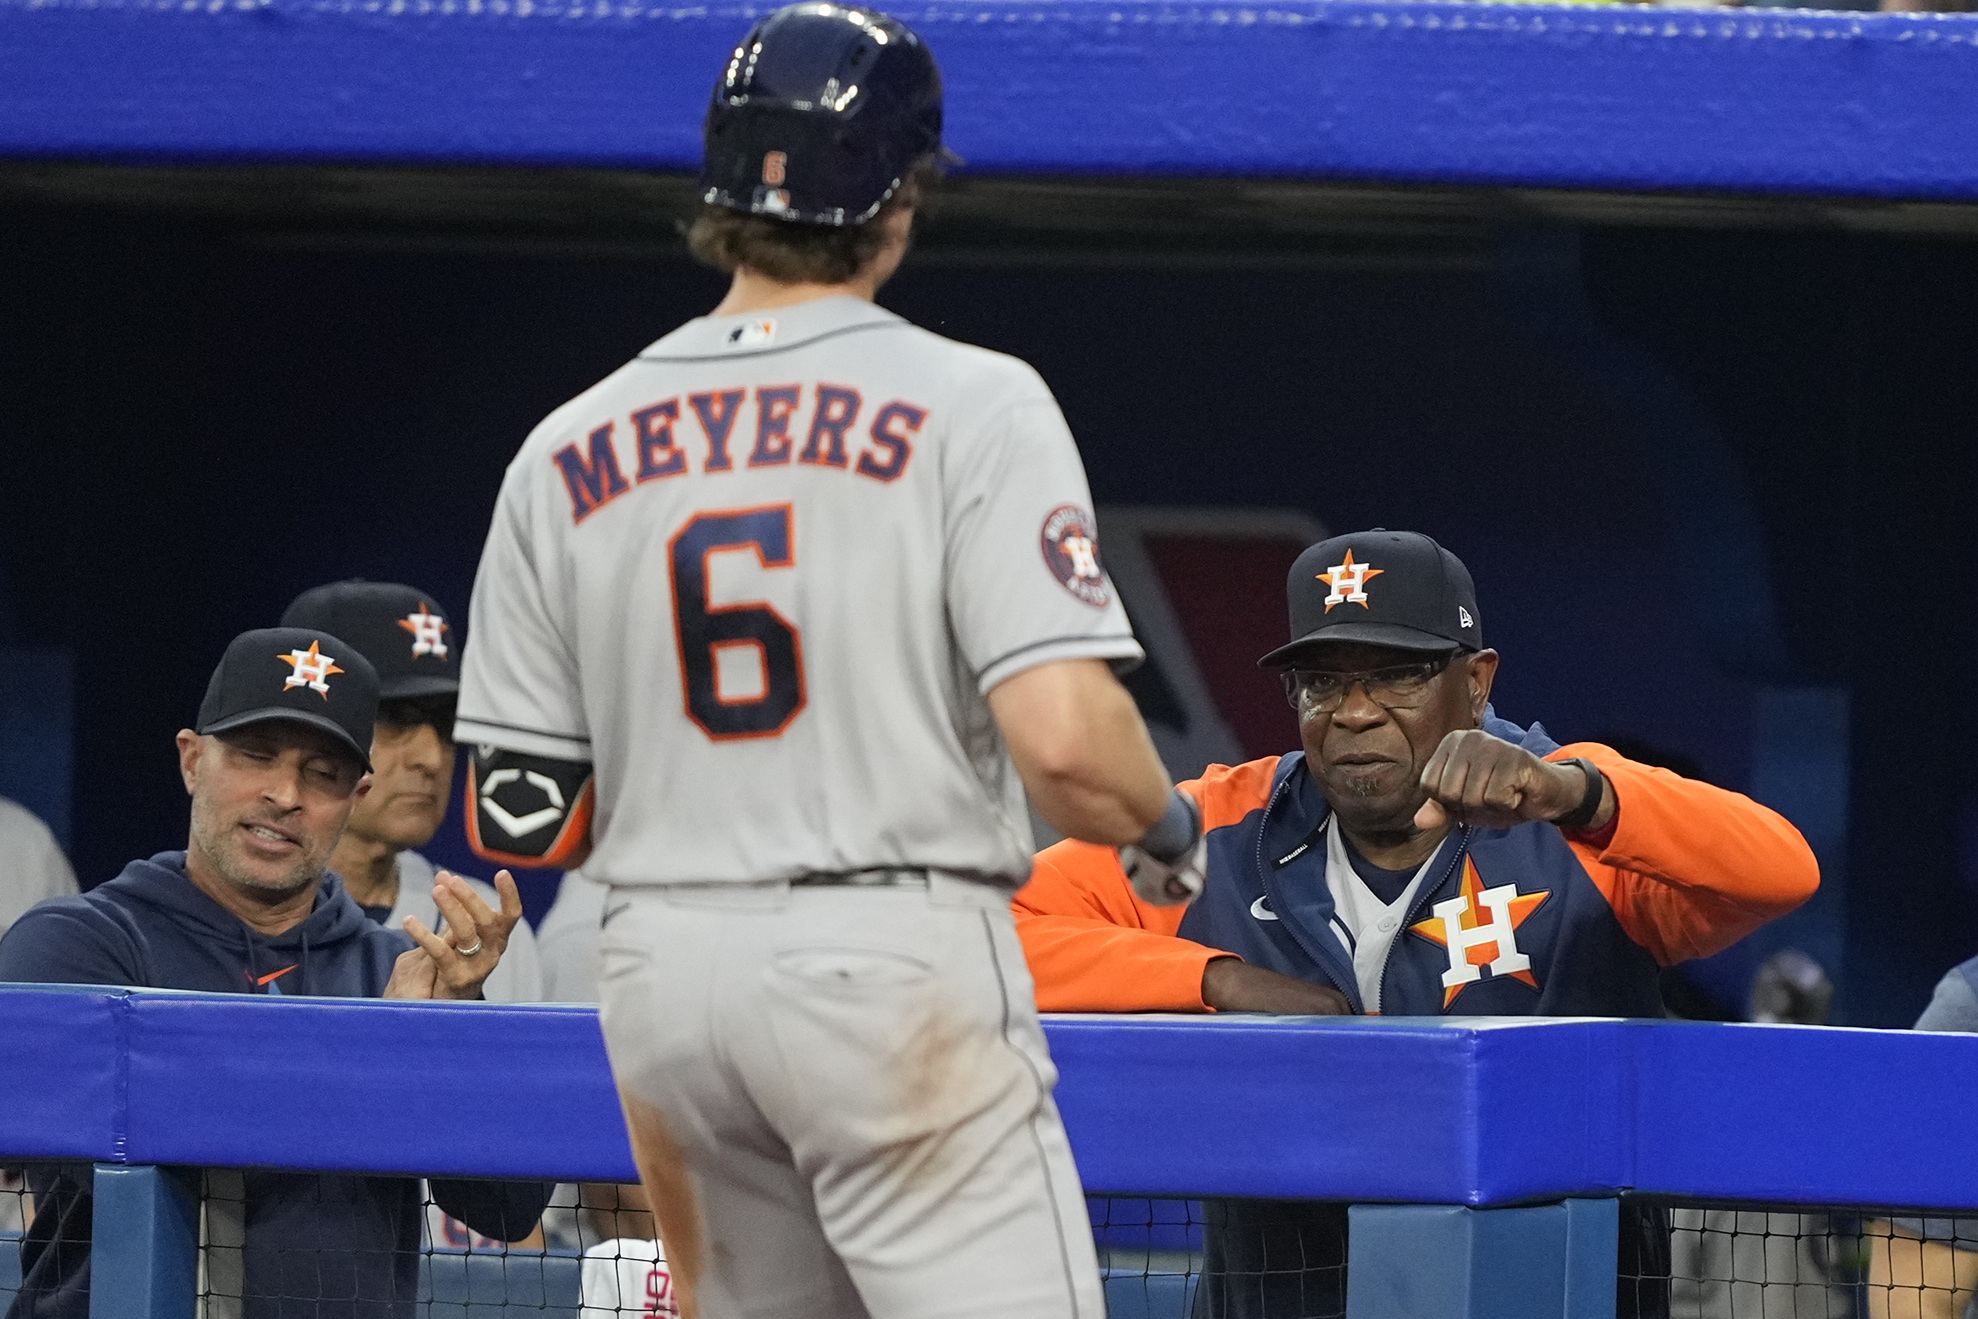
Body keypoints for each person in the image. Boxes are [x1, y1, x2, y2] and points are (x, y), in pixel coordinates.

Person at [454, 6, 1204, 1316]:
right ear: (898, 203)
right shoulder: (973, 400)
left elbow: (522, 805)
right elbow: (1072, 743)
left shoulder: (563, 443)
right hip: (883, 956)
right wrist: (1164, 821)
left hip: (662, 978)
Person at [1014, 528, 1822, 1319]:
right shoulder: (1223, 833)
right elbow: (996, 924)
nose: (1355, 713)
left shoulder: (1578, 826)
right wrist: (1214, 980)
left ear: (1476, 681)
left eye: (1397, 675)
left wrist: (1579, 794)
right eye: (1322, 683)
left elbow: (1782, 869)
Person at [0, 627, 546, 1319]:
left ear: (356, 796)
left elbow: (507, 1204)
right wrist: (383, 1059)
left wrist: (450, 1038)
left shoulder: (396, 972)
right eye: (256, 755)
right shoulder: (81, 944)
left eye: (323, 774)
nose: (286, 793)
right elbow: (167, 1148)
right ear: (193, 760)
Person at [282, 579, 544, 1001]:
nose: (433, 758)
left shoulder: (485, 923)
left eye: (446, 724)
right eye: (396, 718)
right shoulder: (231, 914)